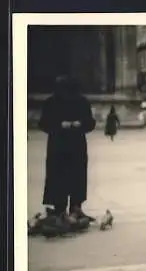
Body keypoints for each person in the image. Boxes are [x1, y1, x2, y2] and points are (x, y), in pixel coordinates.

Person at [38, 76, 96, 228]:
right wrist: (68, 124)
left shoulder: (52, 102)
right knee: (71, 176)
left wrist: (73, 124)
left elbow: (43, 123)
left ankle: (67, 209)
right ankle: (66, 209)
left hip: (61, 146)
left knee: (63, 176)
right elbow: (90, 123)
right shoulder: (80, 101)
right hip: (68, 145)